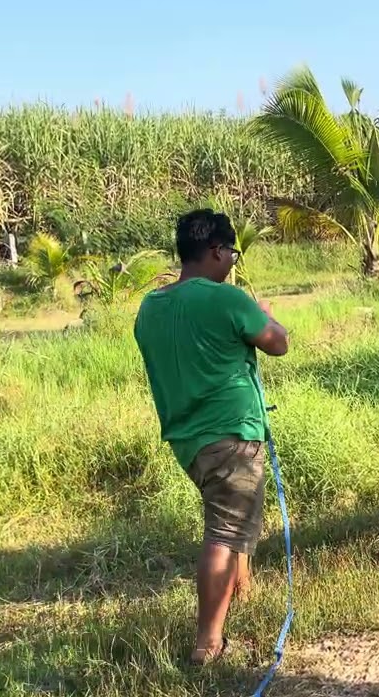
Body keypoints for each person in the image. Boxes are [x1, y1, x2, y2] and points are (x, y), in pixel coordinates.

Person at [133, 207, 290, 665]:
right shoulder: (229, 298)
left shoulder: (151, 307)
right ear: (217, 251)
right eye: (233, 252)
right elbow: (277, 342)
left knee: (235, 522)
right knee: (223, 533)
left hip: (187, 441)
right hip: (232, 435)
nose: (234, 262)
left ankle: (242, 591)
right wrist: (266, 314)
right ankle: (208, 643)